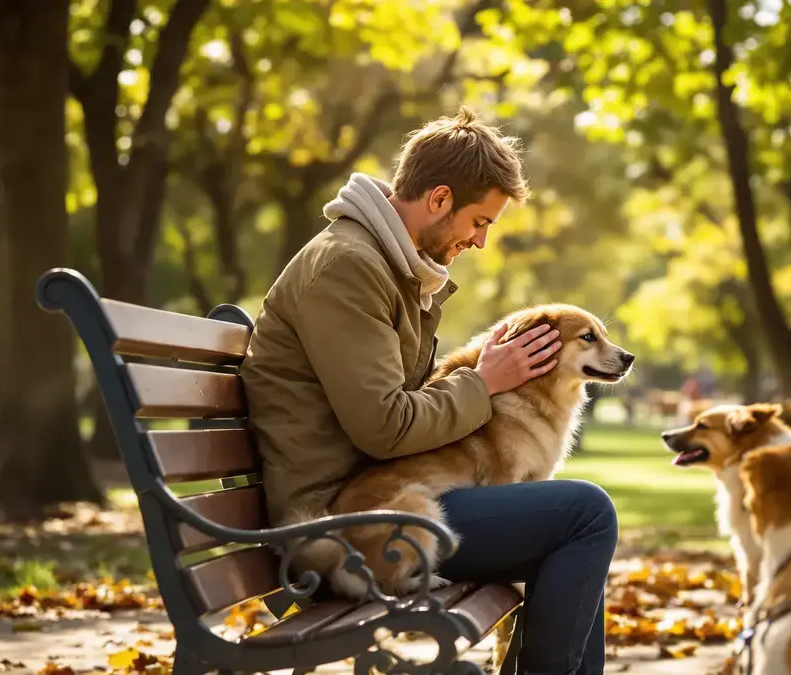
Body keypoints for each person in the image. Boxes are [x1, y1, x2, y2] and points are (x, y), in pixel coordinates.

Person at [239, 107, 618, 675]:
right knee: (585, 513)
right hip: (346, 524)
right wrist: (484, 381)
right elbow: (384, 426)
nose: (480, 241)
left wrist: (483, 374)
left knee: (573, 519)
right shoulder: (348, 268)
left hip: (380, 496)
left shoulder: (388, 267)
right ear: (440, 199)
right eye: (480, 222)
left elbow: (398, 405)